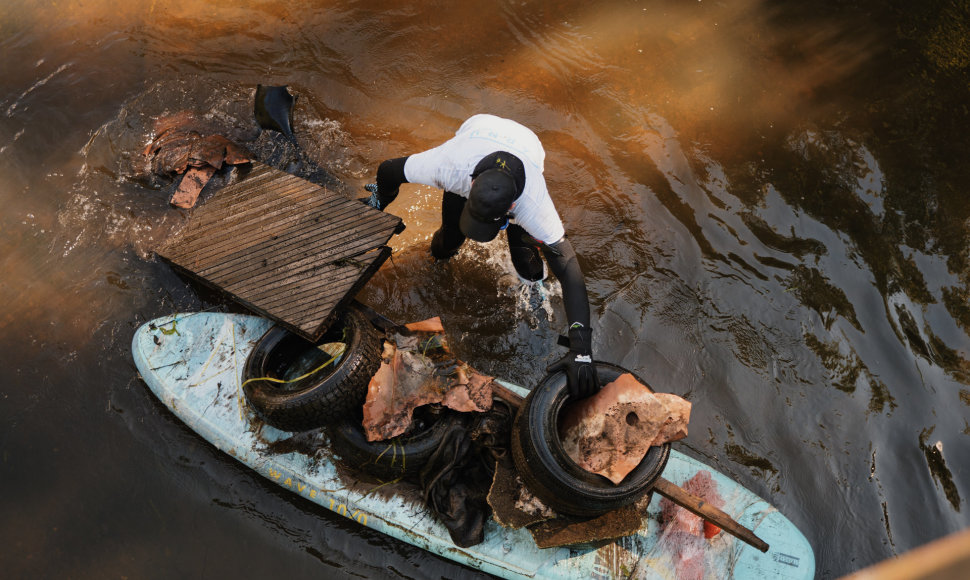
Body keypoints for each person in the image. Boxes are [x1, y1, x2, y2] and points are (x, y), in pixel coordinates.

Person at [364, 114, 599, 399]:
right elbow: (388, 171)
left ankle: (534, 292)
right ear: (472, 184)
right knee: (444, 244)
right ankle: (446, 252)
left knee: (528, 267)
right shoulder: (448, 166)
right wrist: (378, 205)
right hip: (478, 130)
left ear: (511, 206)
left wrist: (581, 350)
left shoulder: (533, 207)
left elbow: (570, 270)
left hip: (527, 147)